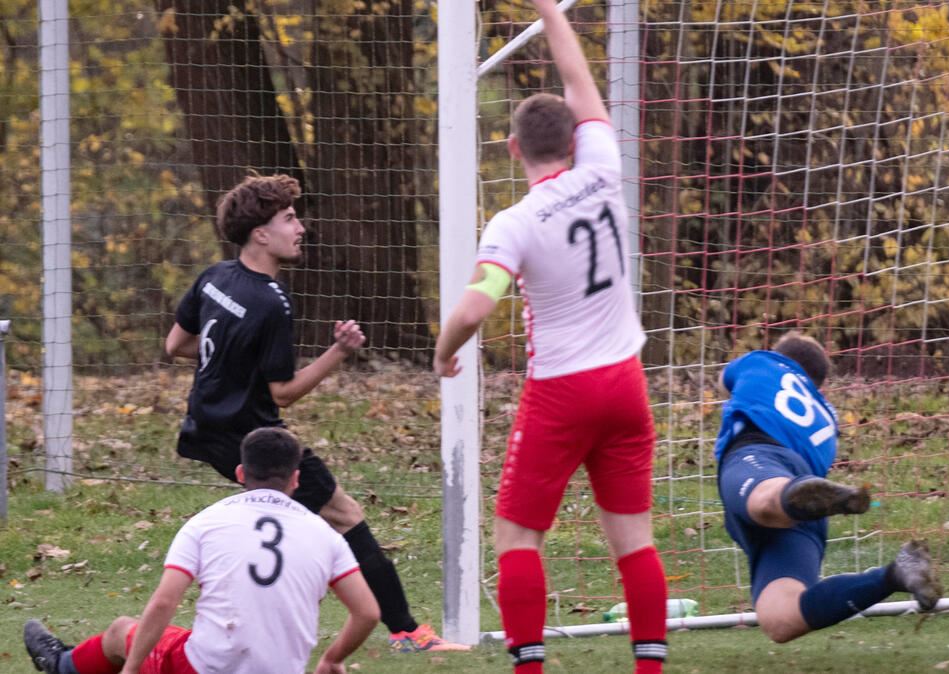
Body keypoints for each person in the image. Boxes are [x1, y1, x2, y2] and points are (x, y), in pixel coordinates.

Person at [433, 2, 667, 672]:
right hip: (626, 382)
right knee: (634, 540)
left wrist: (444, 350)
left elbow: (477, 307)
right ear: (574, 139)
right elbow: (578, 77)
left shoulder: (515, 222)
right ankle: (650, 667)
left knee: (516, 535)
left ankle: (529, 668)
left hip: (562, 392)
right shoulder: (602, 167)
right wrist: (546, 9)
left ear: (513, 149)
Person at [162, 174, 466, 652]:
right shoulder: (271, 301)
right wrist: (340, 351)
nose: (300, 228)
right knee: (345, 516)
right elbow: (282, 393)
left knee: (281, 519)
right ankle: (408, 633)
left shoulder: (214, 276)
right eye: (288, 219)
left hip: (205, 428)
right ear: (261, 234)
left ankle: (255, 618)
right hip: (254, 440)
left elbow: (176, 343)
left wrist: (231, 363)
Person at [23, 427, 379, 674]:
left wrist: (132, 667)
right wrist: (332, 659)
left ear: (241, 473)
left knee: (120, 631)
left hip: (203, 666)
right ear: (296, 479)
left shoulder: (207, 523)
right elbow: (366, 612)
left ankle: (62, 665)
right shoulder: (324, 533)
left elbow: (164, 603)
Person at [716, 331, 943, 644]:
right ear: (819, 385)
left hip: (757, 457)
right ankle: (896, 573)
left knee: (763, 503)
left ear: (779, 356)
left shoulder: (761, 363)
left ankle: (790, 494)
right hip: (804, 506)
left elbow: (722, 381)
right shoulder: (827, 420)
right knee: (781, 620)